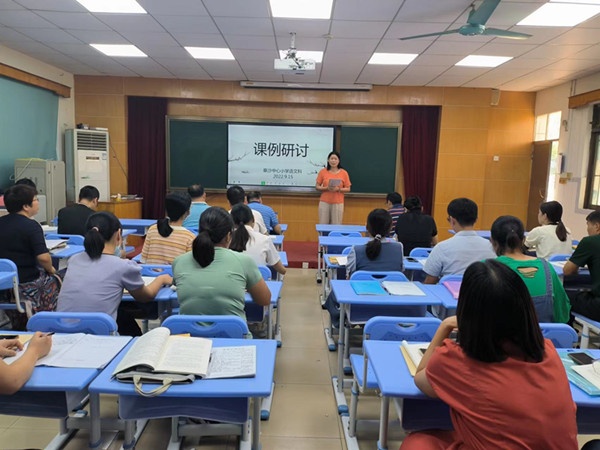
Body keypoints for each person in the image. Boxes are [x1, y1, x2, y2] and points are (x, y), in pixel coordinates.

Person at [402, 259, 578, 450]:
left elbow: (421, 379)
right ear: (524, 307)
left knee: (417, 443)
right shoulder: (547, 350)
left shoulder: (455, 360)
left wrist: (444, 326)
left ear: (467, 310)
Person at [57, 211, 172, 336]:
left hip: (61, 332)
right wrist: (161, 279)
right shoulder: (123, 266)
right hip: (99, 334)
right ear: (118, 235)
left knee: (123, 316)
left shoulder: (74, 260)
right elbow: (145, 296)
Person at [172, 207, 271, 322]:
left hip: (187, 332)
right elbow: (265, 300)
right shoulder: (244, 261)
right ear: (229, 236)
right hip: (232, 332)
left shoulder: (179, 261)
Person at [325, 209, 405, 327]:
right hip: (392, 305)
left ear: (367, 227)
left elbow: (349, 280)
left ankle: (339, 324)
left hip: (359, 307)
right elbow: (401, 273)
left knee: (335, 292)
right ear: (390, 228)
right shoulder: (399, 248)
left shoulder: (356, 250)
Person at [0, 184, 61, 329]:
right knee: (57, 278)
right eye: (35, 199)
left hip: (4, 282)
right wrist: (52, 270)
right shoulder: (31, 226)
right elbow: (43, 258)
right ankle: (45, 322)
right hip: (27, 281)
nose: (38, 202)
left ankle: (20, 322)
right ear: (26, 206)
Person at [491, 215, 570, 323]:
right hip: (541, 333)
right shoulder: (547, 268)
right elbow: (562, 314)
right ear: (523, 240)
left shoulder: (486, 269)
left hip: (498, 333)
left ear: (492, 241)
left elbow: (473, 314)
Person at [423, 198, 495, 283]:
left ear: (452, 220)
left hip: (449, 291)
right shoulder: (491, 247)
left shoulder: (442, 248)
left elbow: (430, 282)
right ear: (476, 219)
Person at [229, 204, 286, 276]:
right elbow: (281, 270)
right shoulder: (265, 240)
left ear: (232, 222)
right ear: (253, 220)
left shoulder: (226, 240)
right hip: (257, 282)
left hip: (233, 281)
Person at [140, 191, 196, 265]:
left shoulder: (152, 229)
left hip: (151, 272)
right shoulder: (189, 237)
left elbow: (143, 260)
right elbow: (189, 266)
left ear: (166, 210)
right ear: (187, 212)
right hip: (175, 272)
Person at [563, 210, 600, 321]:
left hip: (597, 306)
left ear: (597, 226)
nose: (587, 229)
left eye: (588, 225)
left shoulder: (590, 241)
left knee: (562, 296)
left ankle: (567, 330)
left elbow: (567, 271)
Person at [316, 151, 351, 224]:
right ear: (328, 160)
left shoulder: (344, 173)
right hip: (324, 202)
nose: (333, 161)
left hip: (338, 202)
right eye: (331, 159)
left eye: (335, 159)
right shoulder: (323, 171)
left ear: (339, 161)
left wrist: (338, 189)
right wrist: (327, 188)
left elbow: (348, 188)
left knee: (336, 225)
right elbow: (317, 187)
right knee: (323, 224)